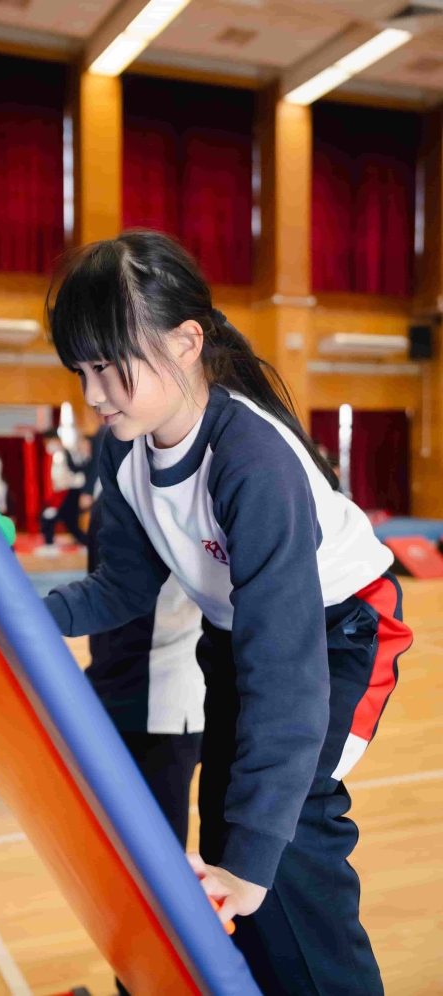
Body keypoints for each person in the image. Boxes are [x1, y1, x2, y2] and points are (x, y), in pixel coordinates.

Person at [41, 231, 413, 996]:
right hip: (237, 635)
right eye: (81, 371)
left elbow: (287, 669)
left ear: (185, 344)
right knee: (228, 833)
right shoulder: (126, 450)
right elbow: (125, 587)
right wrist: (30, 617)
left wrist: (253, 860)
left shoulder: (251, 461)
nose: (92, 394)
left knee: (285, 835)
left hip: (339, 634)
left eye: (108, 367)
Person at [87, 490, 205, 996]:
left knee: (152, 873)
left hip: (157, 705)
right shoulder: (131, 491)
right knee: (139, 871)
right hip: (132, 700)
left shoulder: (154, 497)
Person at [37, 430, 89, 556]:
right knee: (70, 522)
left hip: (69, 492)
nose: (47, 445)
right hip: (64, 492)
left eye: (48, 442)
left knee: (48, 517)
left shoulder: (66, 453)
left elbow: (77, 470)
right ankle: (86, 543)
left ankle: (49, 545)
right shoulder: (59, 454)